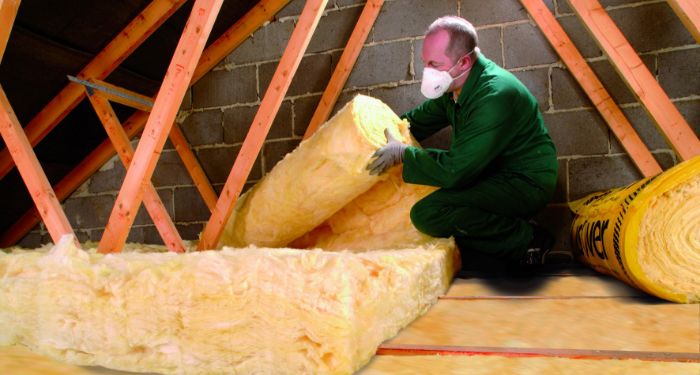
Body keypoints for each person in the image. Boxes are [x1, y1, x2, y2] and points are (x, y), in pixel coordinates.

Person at [368, 16, 559, 270]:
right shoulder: (456, 87)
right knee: (440, 206)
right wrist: (376, 133)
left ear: (464, 62)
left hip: (524, 181)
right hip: (489, 172)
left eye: (435, 64)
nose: (428, 71)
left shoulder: (495, 95)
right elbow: (415, 122)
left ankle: (527, 239)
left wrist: (404, 154)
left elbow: (455, 170)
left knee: (429, 213)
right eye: (425, 63)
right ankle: (507, 240)